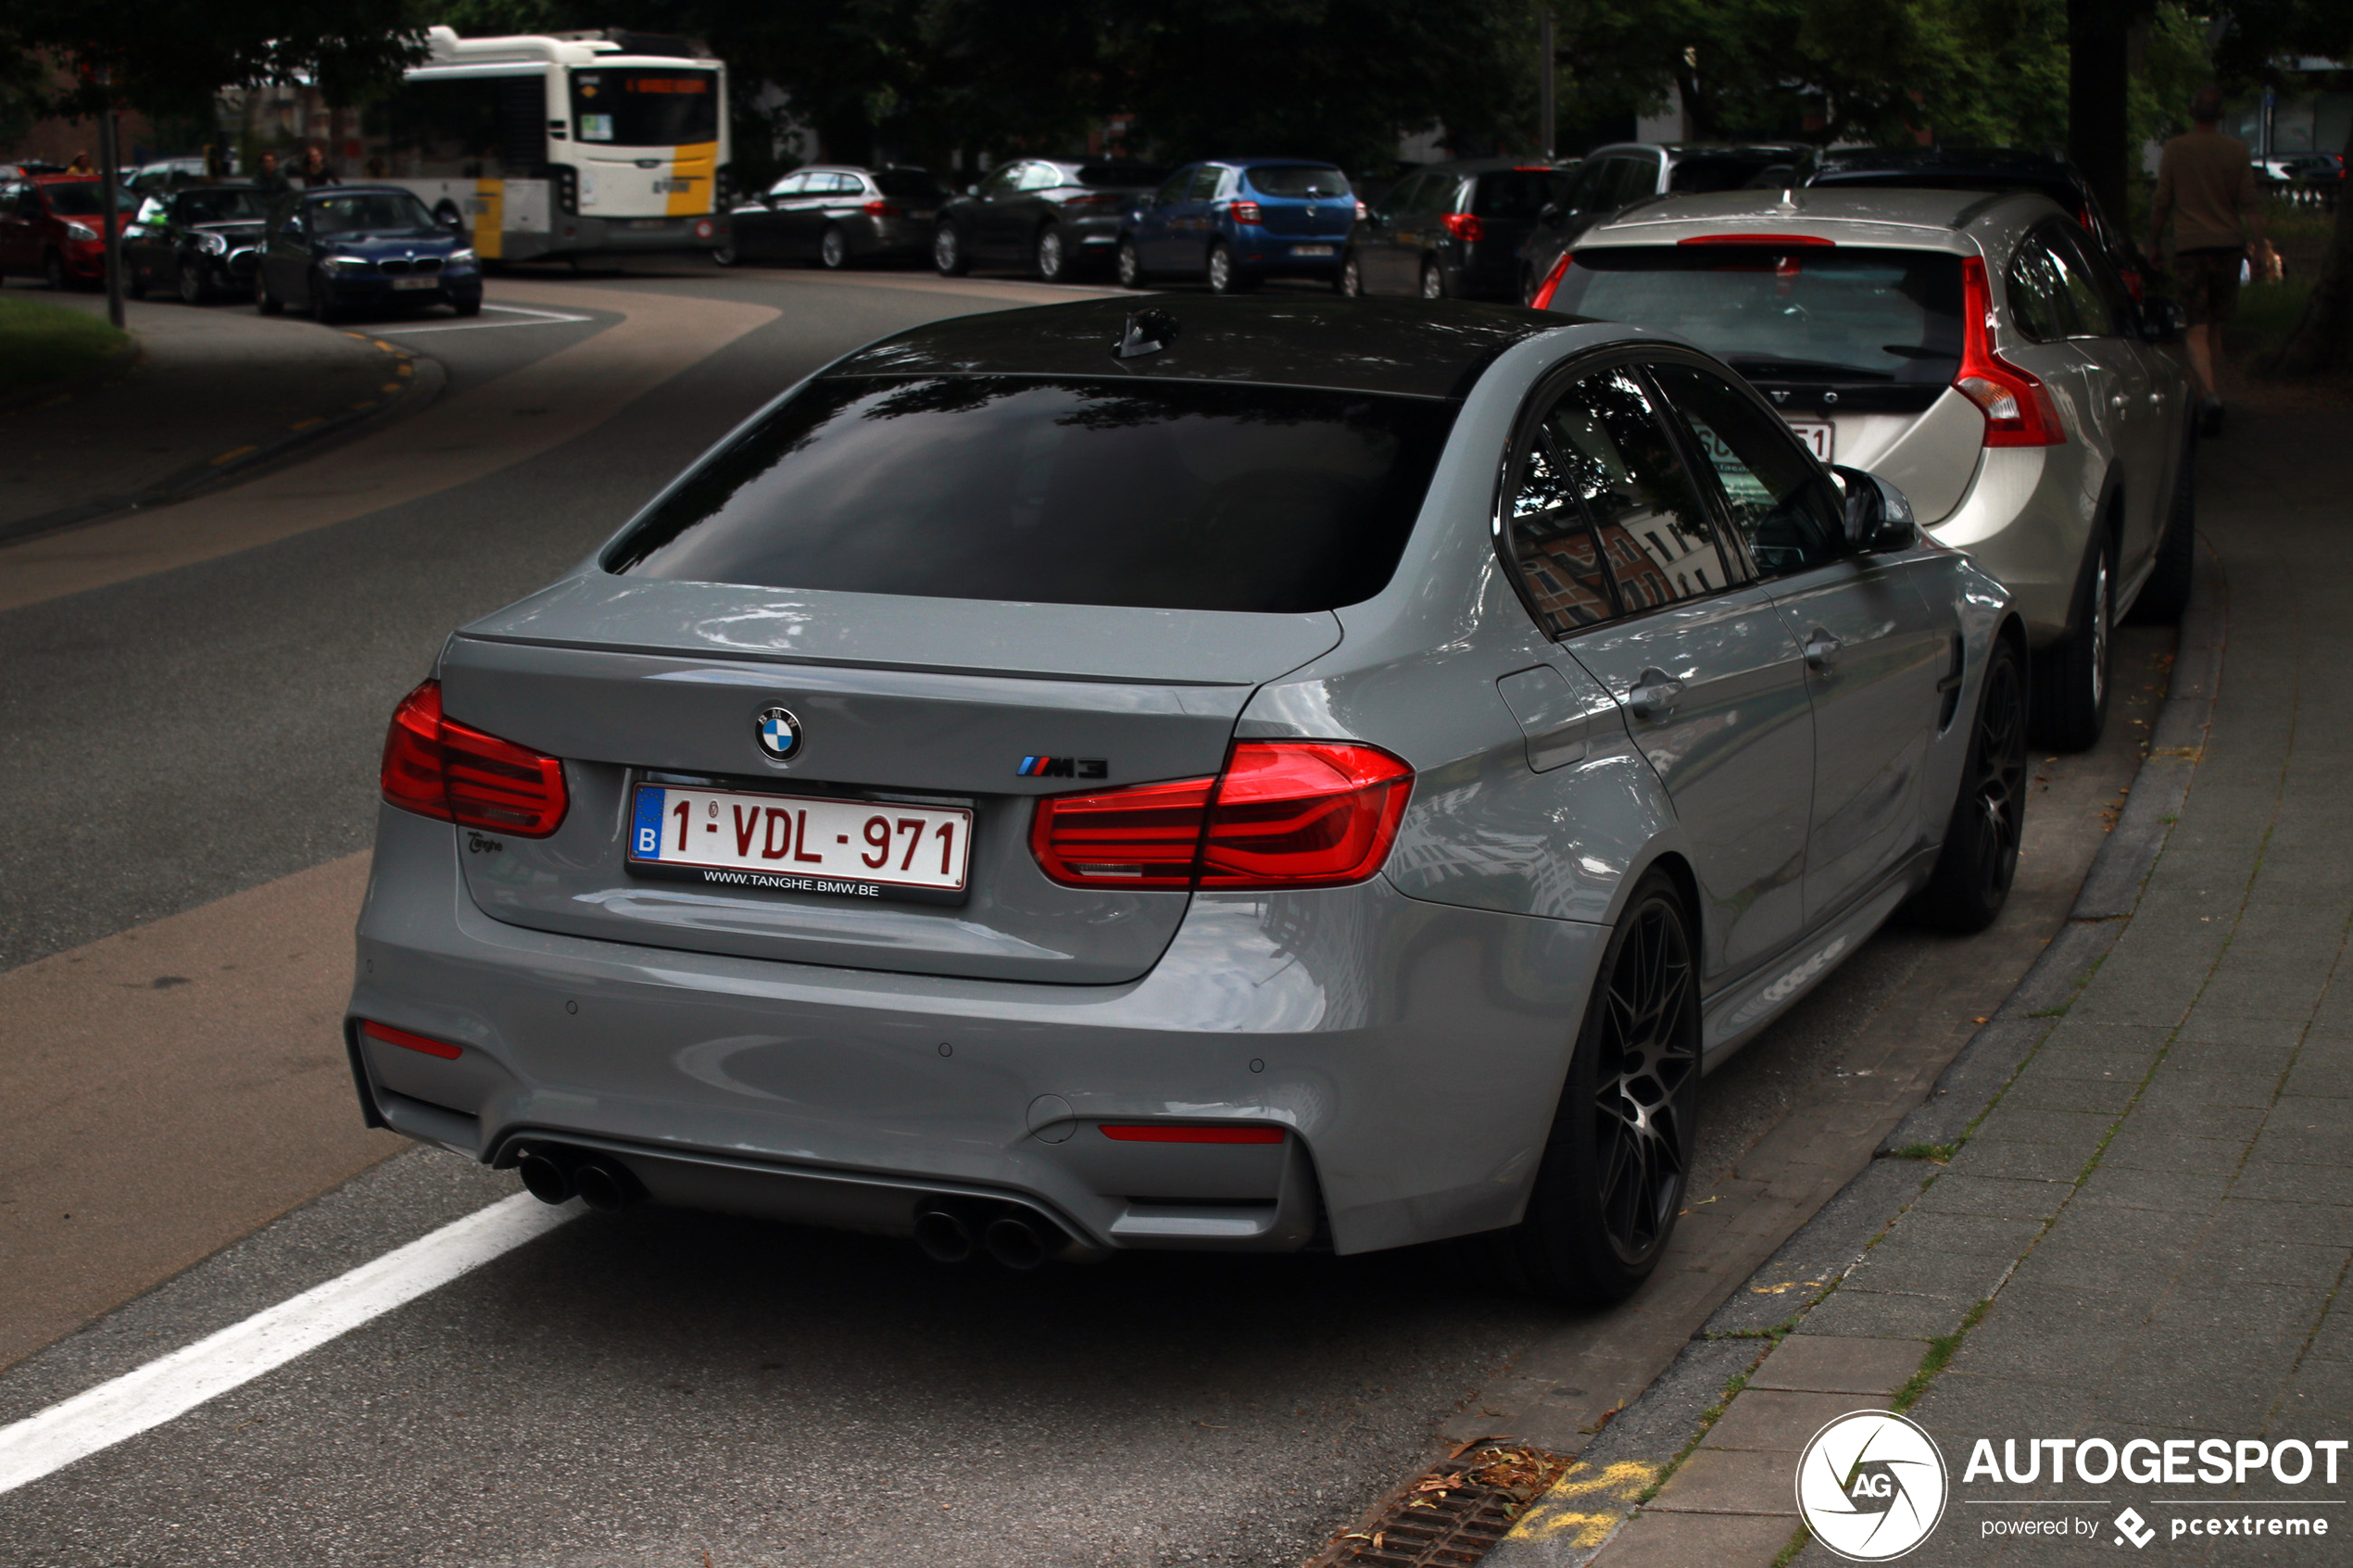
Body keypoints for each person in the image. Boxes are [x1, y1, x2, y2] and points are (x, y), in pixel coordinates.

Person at [2151, 85, 2277, 436]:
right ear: (2221, 116)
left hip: (2192, 246)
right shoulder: (2236, 151)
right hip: (2228, 246)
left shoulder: (2177, 150)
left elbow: (2162, 199)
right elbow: (2250, 203)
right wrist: (2259, 250)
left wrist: (2154, 242)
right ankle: (2210, 392)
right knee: (2216, 325)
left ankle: (2209, 396)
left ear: (2192, 113)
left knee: (2196, 327)